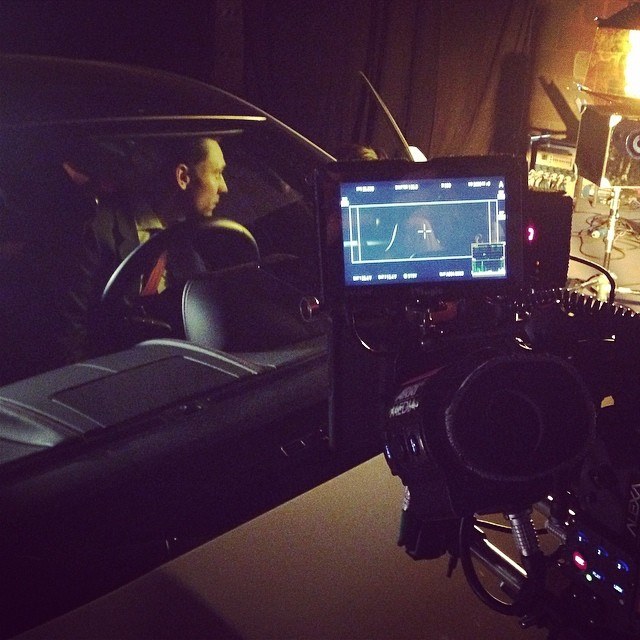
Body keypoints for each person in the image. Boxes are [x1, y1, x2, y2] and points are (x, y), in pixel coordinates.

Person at [57, 135, 229, 362]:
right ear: (183, 177)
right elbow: (69, 333)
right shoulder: (97, 230)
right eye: (217, 173)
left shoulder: (190, 246)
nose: (224, 187)